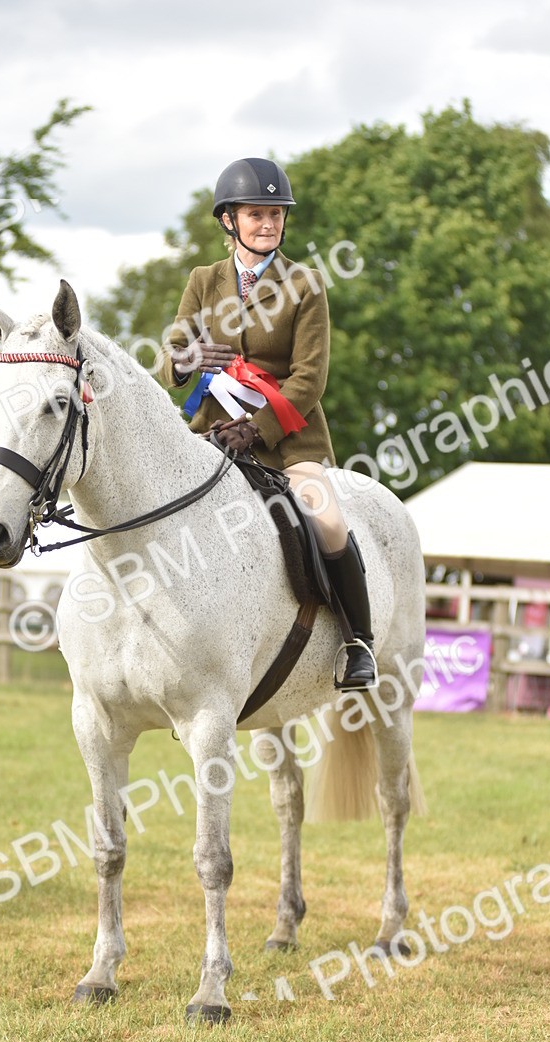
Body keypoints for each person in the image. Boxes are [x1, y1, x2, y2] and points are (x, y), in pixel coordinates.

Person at [157, 156, 377, 690]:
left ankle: (357, 644)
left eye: (276, 214)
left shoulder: (306, 285)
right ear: (229, 220)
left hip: (287, 439)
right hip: (209, 434)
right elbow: (171, 354)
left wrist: (258, 428)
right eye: (257, 214)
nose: (269, 223)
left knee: (326, 520)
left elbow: (309, 380)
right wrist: (185, 362)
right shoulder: (203, 280)